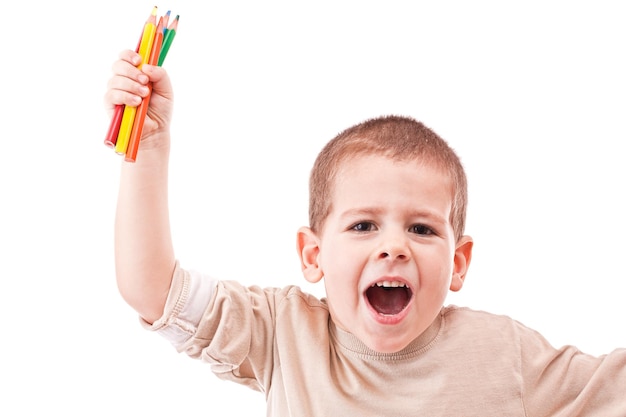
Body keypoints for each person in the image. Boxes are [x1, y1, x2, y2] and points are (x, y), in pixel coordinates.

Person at [105, 49, 626, 416]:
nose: (393, 246)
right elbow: (153, 290)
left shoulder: (503, 353)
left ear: (459, 262)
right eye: (363, 225)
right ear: (313, 255)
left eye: (421, 228)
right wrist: (148, 149)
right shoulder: (283, 334)